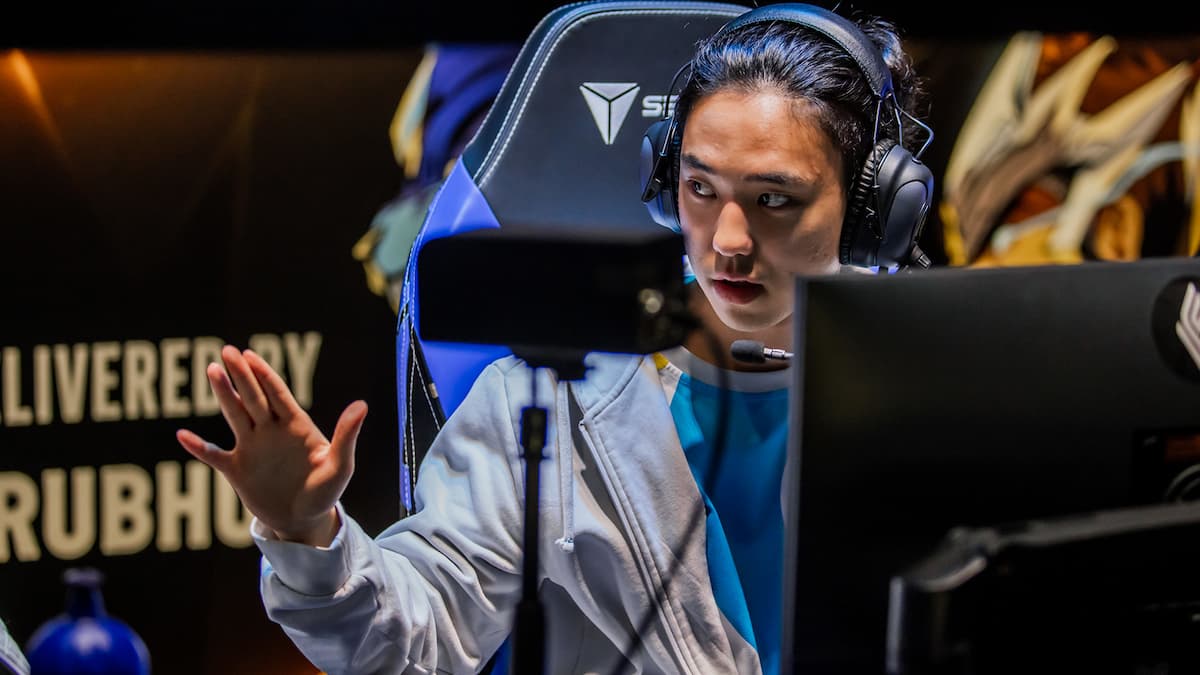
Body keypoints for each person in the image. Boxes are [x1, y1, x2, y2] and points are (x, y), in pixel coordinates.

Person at [175, 4, 932, 674]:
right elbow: (412, 640)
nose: (727, 239)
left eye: (774, 199)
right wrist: (307, 535)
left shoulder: (927, 383)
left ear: (874, 211)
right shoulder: (549, 397)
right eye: (700, 188)